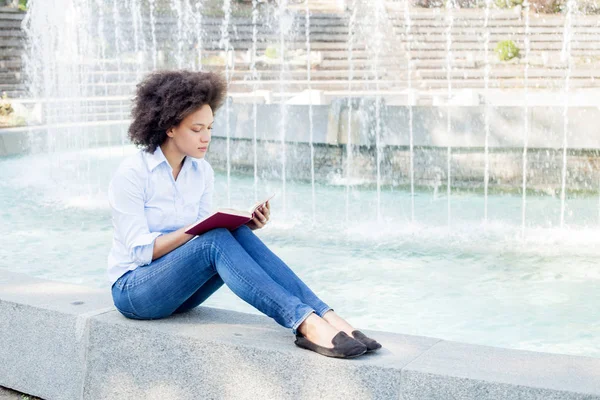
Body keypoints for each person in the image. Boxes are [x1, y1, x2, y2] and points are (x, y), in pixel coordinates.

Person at [107, 70, 382, 359]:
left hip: (180, 292)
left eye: (210, 128)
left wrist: (244, 224)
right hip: (134, 291)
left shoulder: (201, 172)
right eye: (197, 129)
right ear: (170, 128)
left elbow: (202, 243)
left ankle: (326, 315)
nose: (206, 138)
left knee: (231, 232)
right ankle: (305, 323)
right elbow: (141, 252)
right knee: (213, 238)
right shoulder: (133, 173)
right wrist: (198, 230)